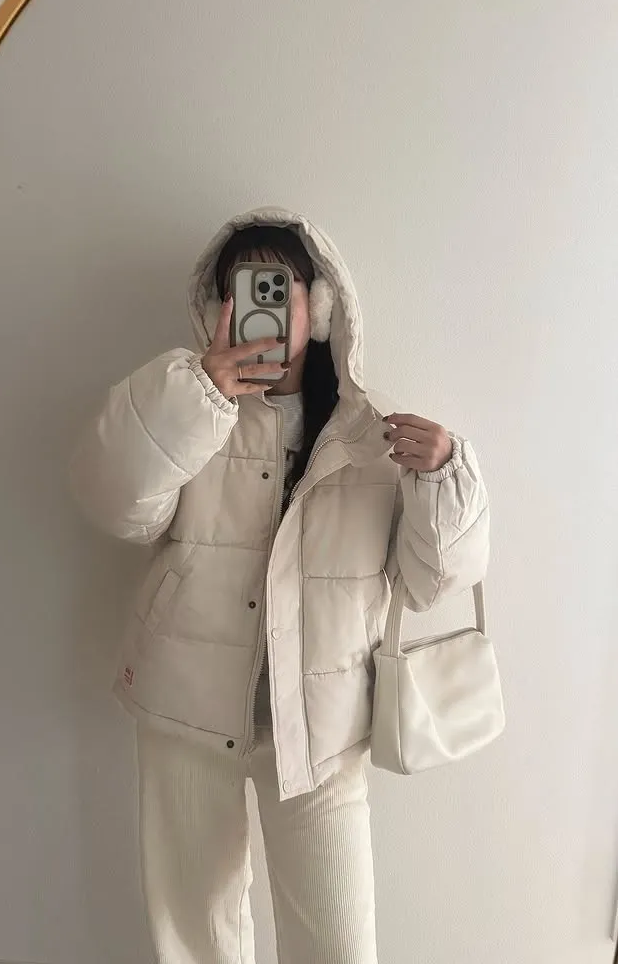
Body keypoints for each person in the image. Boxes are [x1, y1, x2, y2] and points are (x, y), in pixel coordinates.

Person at [70, 206, 490, 964]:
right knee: (193, 933)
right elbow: (114, 505)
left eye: (275, 286)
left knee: (338, 941)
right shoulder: (189, 408)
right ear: (218, 307)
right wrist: (195, 395)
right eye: (242, 289)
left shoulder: (370, 438)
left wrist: (445, 478)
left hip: (324, 722)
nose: (258, 306)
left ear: (319, 307)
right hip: (186, 702)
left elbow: (432, 583)